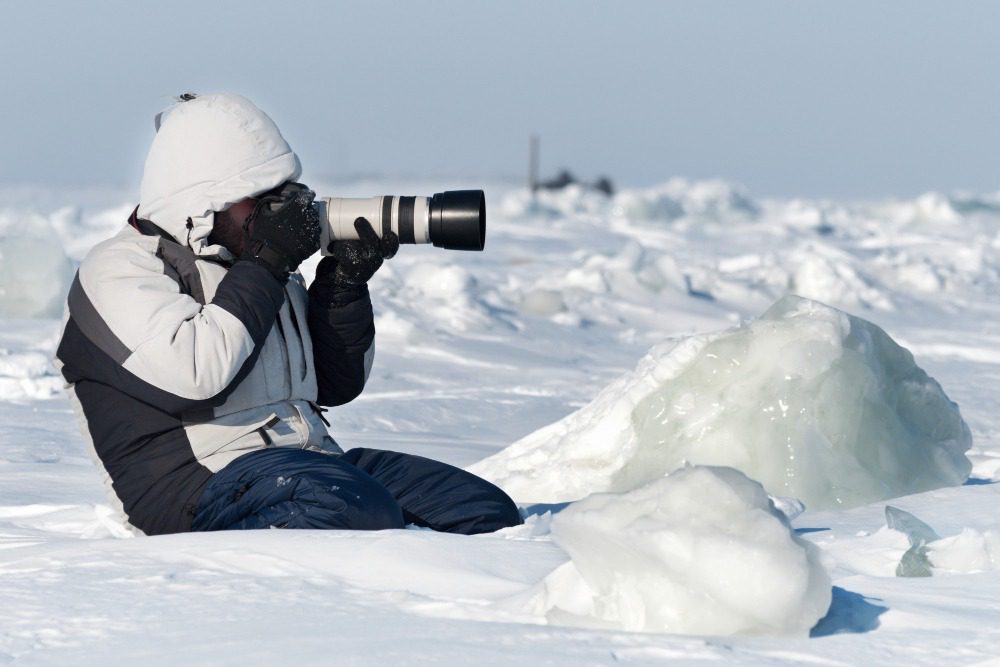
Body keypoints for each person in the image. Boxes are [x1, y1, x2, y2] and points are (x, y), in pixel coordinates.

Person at [55, 93, 522, 536]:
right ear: (200, 203)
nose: (278, 209)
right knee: (352, 509)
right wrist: (267, 262)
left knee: (479, 510)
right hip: (196, 489)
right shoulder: (119, 269)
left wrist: (342, 288)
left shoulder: (251, 266)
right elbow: (196, 374)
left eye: (282, 192)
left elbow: (336, 386)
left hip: (307, 462)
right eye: (259, 197)